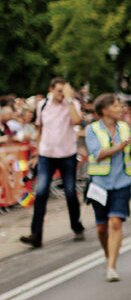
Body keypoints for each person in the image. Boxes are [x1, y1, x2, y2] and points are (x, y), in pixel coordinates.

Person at [20, 78, 86, 248]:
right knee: (41, 193)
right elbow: (39, 129)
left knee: (70, 192)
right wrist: (36, 153)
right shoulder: (43, 105)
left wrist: (70, 100)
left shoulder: (72, 104)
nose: (61, 94)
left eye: (63, 91)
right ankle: (36, 234)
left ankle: (76, 226)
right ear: (51, 90)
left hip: (67, 155)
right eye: (58, 91)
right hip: (46, 155)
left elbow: (77, 121)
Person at [84, 94, 131, 282]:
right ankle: (108, 255)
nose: (120, 108)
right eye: (115, 105)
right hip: (100, 184)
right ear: (104, 110)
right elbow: (97, 154)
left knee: (115, 222)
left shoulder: (124, 127)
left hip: (122, 181)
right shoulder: (92, 130)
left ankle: (112, 265)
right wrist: (120, 146)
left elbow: (130, 147)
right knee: (102, 228)